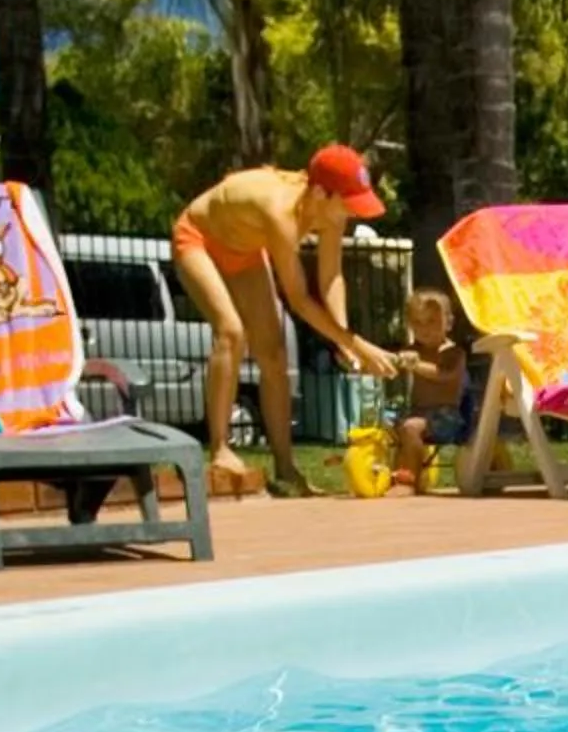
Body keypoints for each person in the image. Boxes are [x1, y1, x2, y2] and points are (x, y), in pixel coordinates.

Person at [171, 146, 401, 497]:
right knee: (231, 332)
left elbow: (330, 279)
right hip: (199, 238)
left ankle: (285, 466)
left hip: (243, 251)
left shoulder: (331, 215)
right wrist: (357, 344)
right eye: (350, 202)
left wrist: (342, 339)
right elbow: (298, 299)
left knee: (275, 355)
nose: (354, 213)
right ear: (322, 193)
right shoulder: (280, 211)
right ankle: (220, 448)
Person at [390, 289, 472, 492]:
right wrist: (373, 363)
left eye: (432, 321)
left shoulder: (454, 353)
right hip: (417, 412)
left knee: (410, 428)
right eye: (418, 322)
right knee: (386, 427)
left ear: (449, 323)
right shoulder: (413, 350)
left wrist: (415, 365)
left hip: (447, 417)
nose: (425, 328)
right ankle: (393, 473)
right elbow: (393, 365)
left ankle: (408, 481)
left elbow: (444, 374)